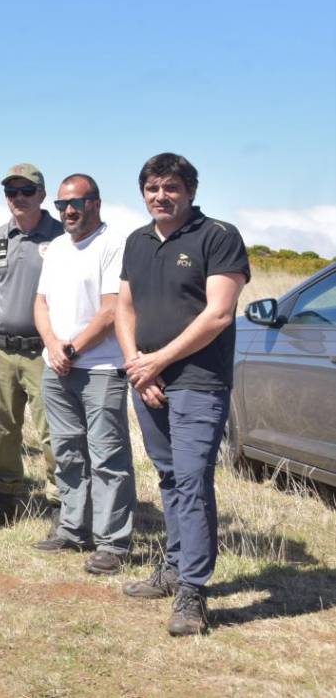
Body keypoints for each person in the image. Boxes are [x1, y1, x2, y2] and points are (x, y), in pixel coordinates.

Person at [116, 153, 248, 637]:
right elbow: (124, 310)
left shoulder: (218, 236)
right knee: (170, 478)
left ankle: (193, 590)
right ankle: (173, 568)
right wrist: (139, 366)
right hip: (147, 381)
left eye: (171, 187)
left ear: (190, 190)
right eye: (152, 188)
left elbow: (218, 315)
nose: (160, 196)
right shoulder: (137, 241)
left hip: (198, 381)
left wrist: (159, 360)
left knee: (193, 480)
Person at [32, 173, 136, 577]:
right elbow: (40, 304)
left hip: (102, 369)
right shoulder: (56, 247)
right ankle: (72, 529)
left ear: (97, 202)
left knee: (108, 456)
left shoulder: (114, 245)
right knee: (67, 451)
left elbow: (112, 310)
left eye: (77, 202)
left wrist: (72, 349)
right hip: (57, 366)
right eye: (62, 205)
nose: (69, 211)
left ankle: (112, 542)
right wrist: (54, 346)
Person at [0, 164, 63, 528]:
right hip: (1, 349)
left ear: (42, 195)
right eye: (12, 192)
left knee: (53, 429)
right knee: (1, 425)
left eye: (27, 191)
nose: (19, 198)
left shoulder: (61, 237)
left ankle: (62, 502)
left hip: (44, 351)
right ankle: (4, 497)